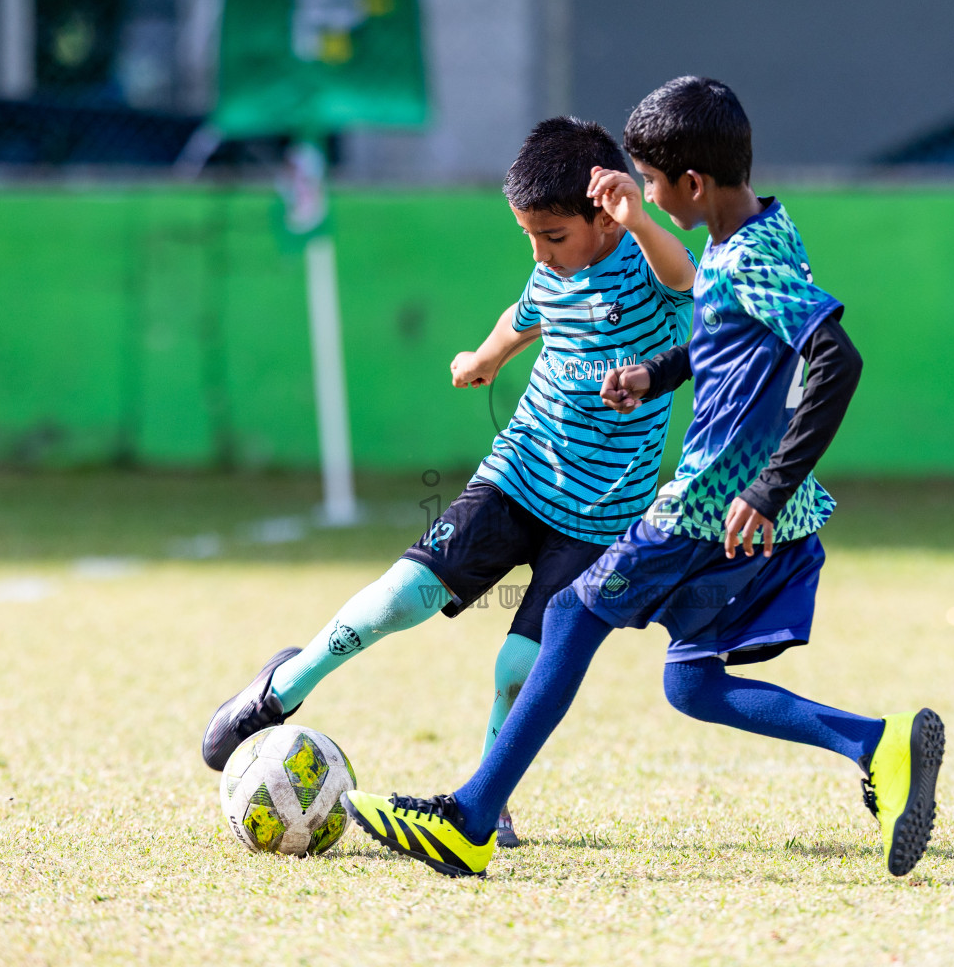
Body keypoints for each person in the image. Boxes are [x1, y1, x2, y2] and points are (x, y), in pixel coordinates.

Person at [340, 77, 944, 879]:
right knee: (692, 684)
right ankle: (882, 745)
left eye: (653, 185)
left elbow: (835, 357)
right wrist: (654, 376)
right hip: (749, 510)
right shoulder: (761, 231)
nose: (646, 199)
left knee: (568, 615)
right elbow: (730, 334)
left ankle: (470, 818)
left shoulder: (751, 255)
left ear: (691, 183)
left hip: (708, 507)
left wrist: (766, 486)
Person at [201, 117, 695, 847]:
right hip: (520, 473)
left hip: (600, 516)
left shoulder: (650, 270)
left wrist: (642, 217)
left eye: (553, 236)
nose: (540, 252)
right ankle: (282, 686)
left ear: (604, 214)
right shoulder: (549, 270)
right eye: (528, 236)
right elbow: (522, 316)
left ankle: (486, 800)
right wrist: (486, 357)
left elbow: (685, 276)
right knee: (401, 598)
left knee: (521, 665)